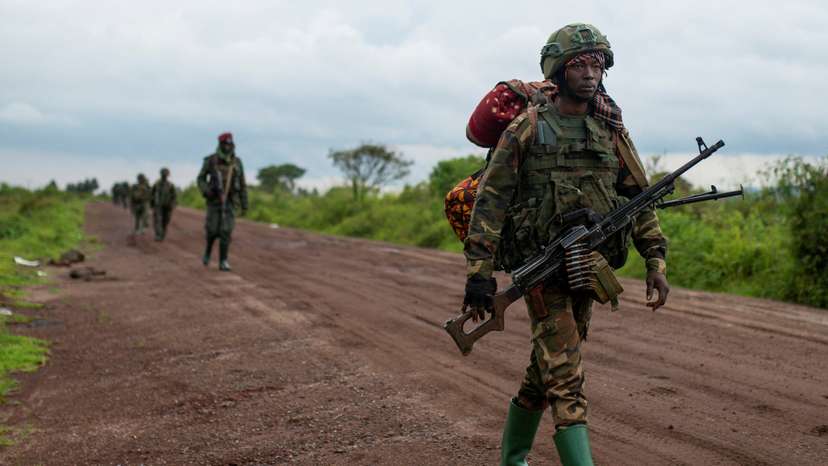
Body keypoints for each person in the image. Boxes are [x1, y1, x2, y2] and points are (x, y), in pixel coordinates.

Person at [462, 23, 670, 466]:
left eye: (598, 64)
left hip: (587, 267)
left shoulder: (608, 128)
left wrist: (656, 259)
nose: (591, 73)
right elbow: (490, 202)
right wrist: (479, 275)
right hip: (543, 270)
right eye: (580, 64)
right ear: (558, 70)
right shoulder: (528, 127)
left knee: (547, 370)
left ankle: (512, 459)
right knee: (567, 378)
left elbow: (639, 197)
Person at [197, 132, 248, 271]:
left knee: (226, 231)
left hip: (231, 201)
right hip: (214, 201)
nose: (227, 147)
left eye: (229, 144)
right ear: (220, 145)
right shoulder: (211, 160)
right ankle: (208, 250)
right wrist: (206, 190)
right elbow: (200, 178)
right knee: (212, 230)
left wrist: (244, 204)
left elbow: (242, 184)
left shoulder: (237, 163)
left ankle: (223, 261)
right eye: (225, 144)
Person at [151, 167, 177, 241]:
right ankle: (158, 235)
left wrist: (173, 204)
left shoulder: (170, 185)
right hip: (158, 205)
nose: (164, 175)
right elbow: (152, 194)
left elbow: (174, 196)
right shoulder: (156, 184)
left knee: (165, 221)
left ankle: (162, 234)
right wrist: (152, 203)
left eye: (166, 174)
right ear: (161, 174)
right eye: (163, 174)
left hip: (167, 206)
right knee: (157, 220)